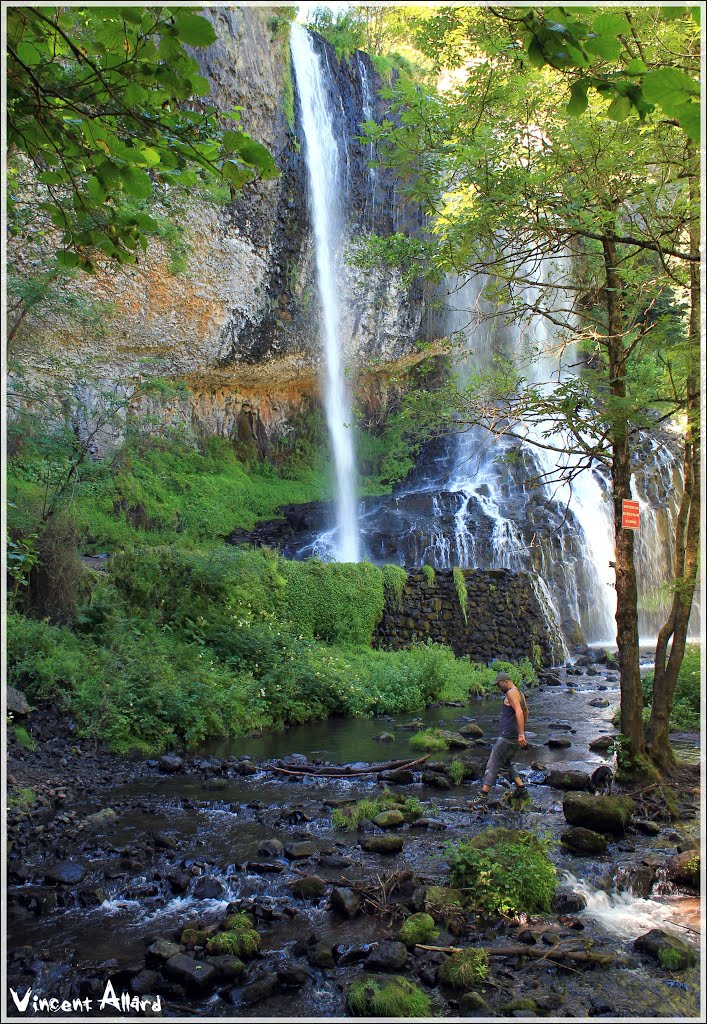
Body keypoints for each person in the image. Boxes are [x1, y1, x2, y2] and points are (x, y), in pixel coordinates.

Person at [478, 672, 529, 802]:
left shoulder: (511, 693)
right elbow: (526, 711)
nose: (498, 688)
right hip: (514, 736)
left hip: (507, 736)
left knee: (492, 764)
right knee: (506, 764)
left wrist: (521, 734)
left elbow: (518, 711)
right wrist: (520, 730)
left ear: (506, 681)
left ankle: (482, 796)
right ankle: (522, 790)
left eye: (499, 684)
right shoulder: (520, 693)